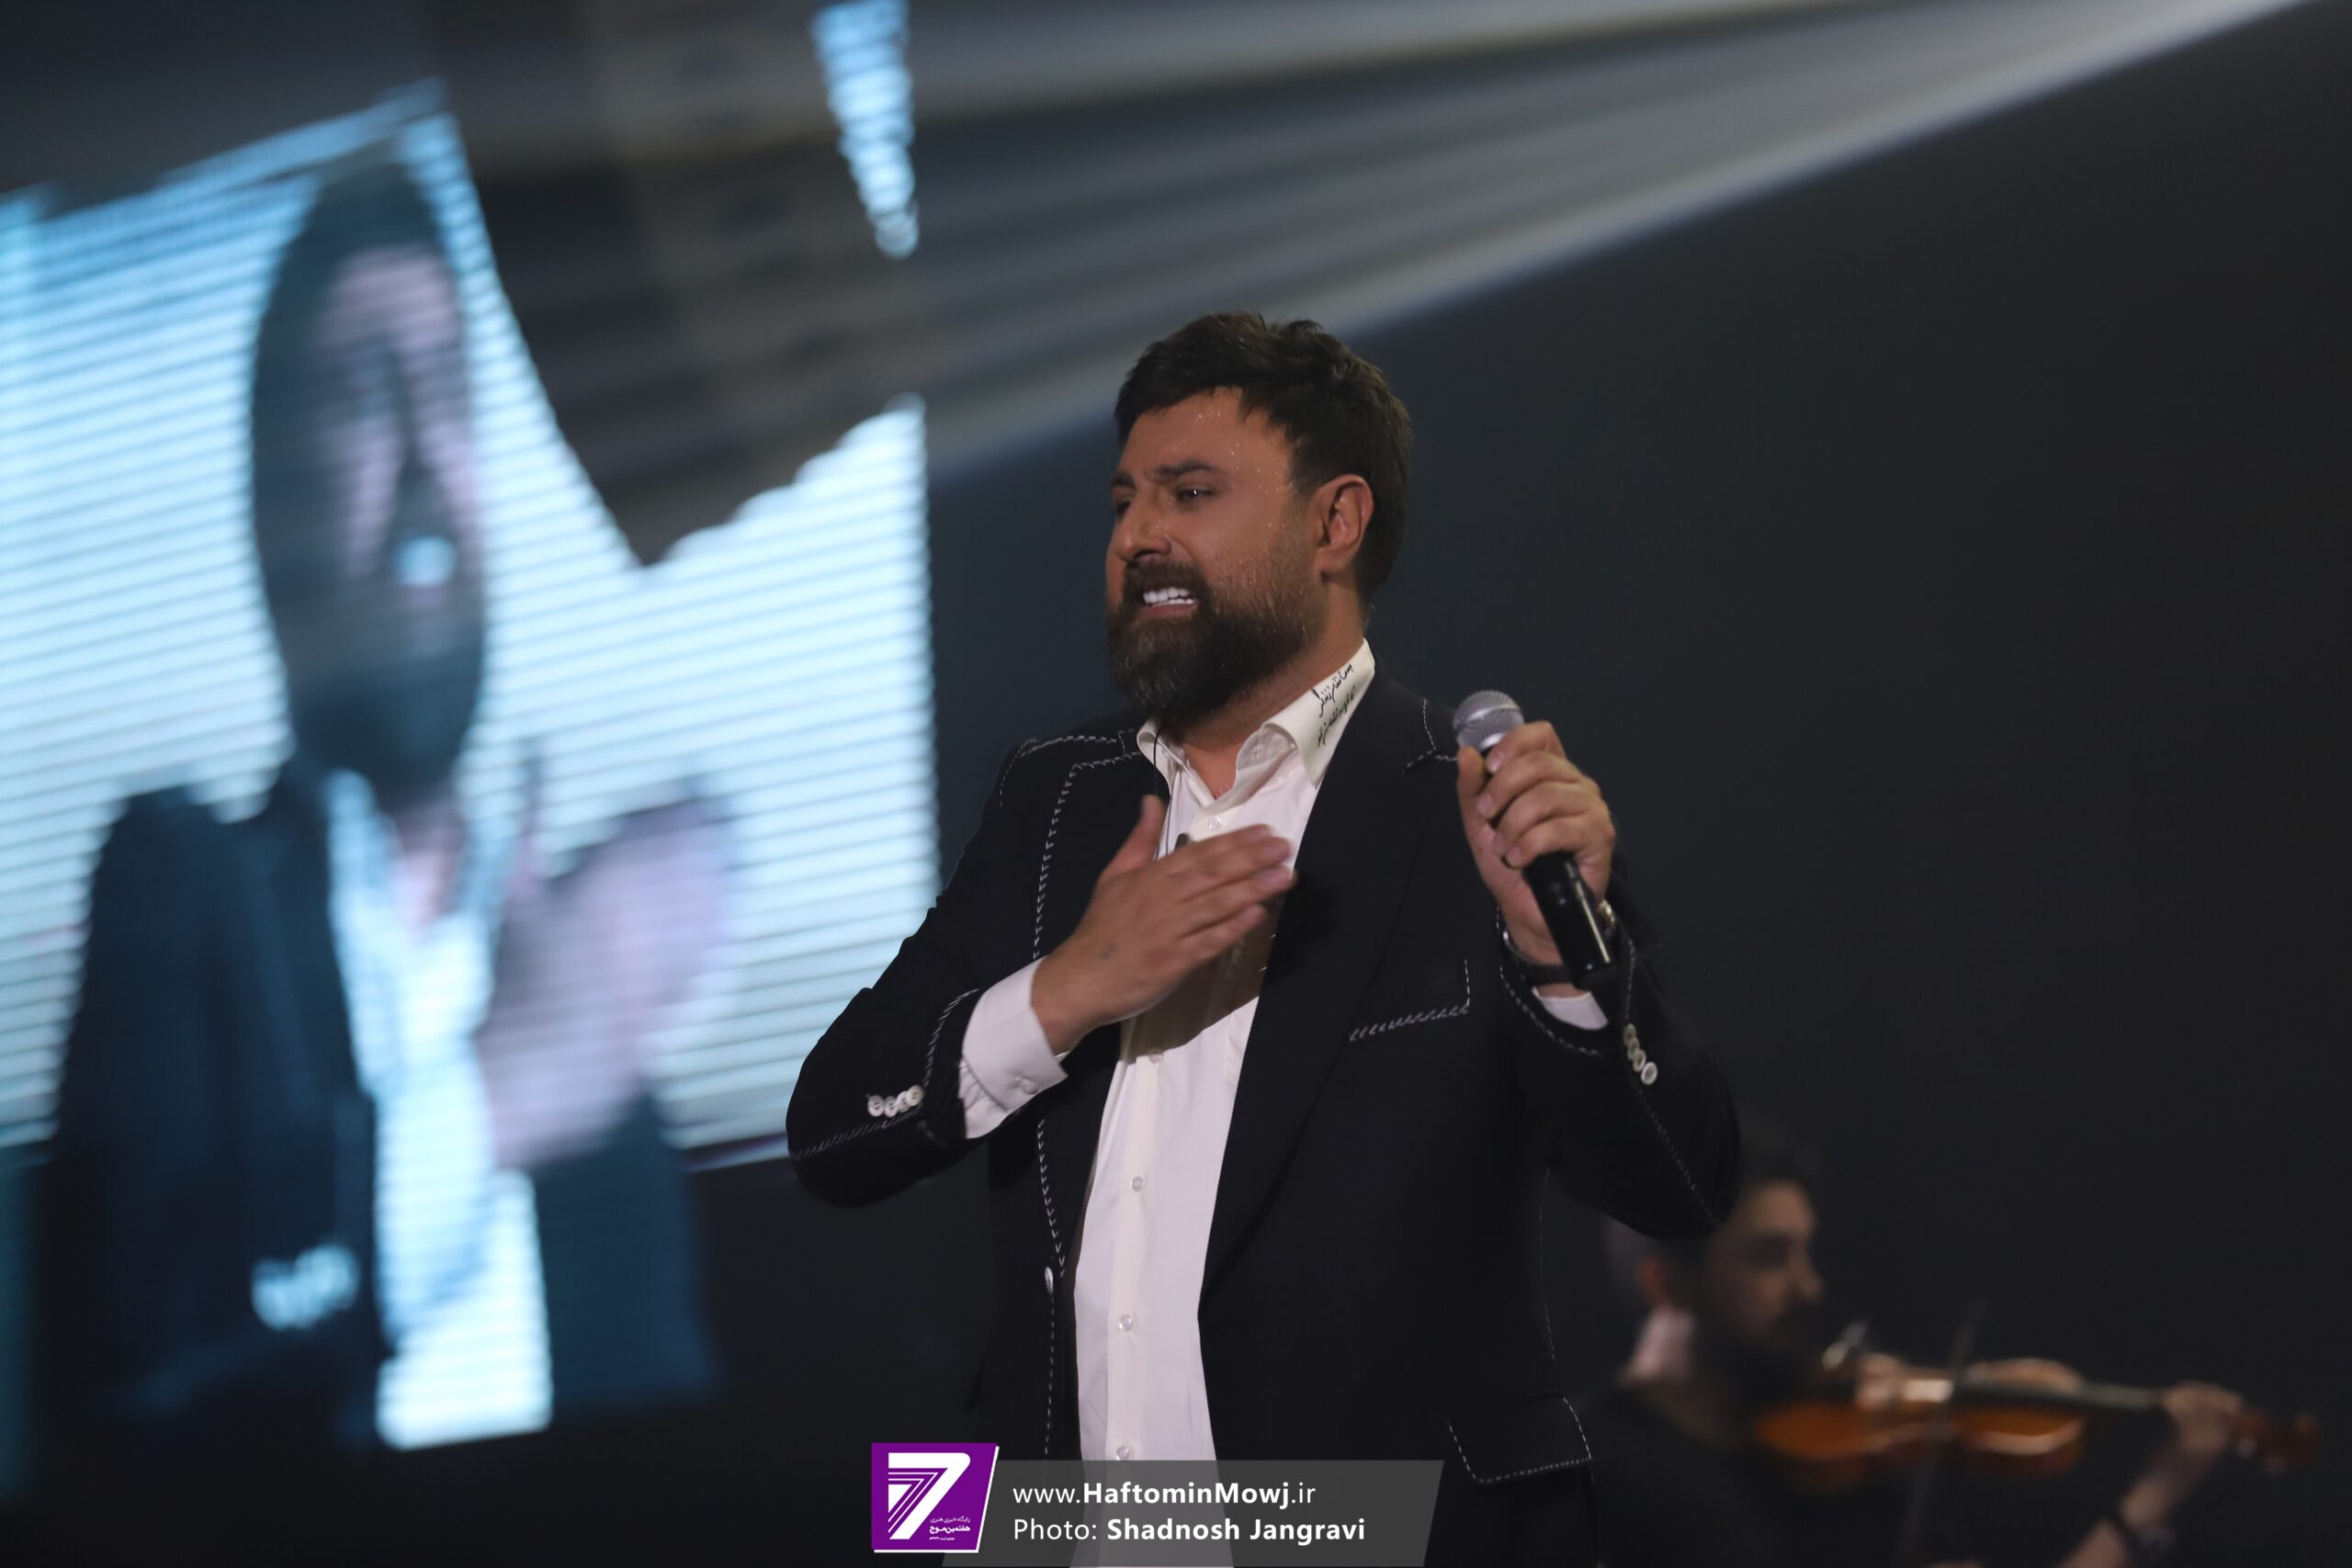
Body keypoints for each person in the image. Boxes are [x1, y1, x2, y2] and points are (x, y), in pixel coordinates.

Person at [786, 310, 1742, 1564]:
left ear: (1334, 523)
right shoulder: (1056, 799)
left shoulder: (1472, 804)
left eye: (1190, 493)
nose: (1138, 535)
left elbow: (1678, 1184)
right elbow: (833, 1129)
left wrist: (1561, 965)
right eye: (1124, 500)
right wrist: (1067, 989)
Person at [38, 159, 723, 1472]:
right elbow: (138, 1355)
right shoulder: (182, 888)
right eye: (364, 396)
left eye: (450, 392)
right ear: (273, 515)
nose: (423, 452)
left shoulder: (575, 962)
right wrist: (497, 1091)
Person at [1583, 1120, 2248, 1568]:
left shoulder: (1851, 1461)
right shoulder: (1586, 1473)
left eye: (1806, 1251)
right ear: (1667, 1284)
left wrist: (2153, 1497)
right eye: (1769, 1256)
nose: (1809, 1286)